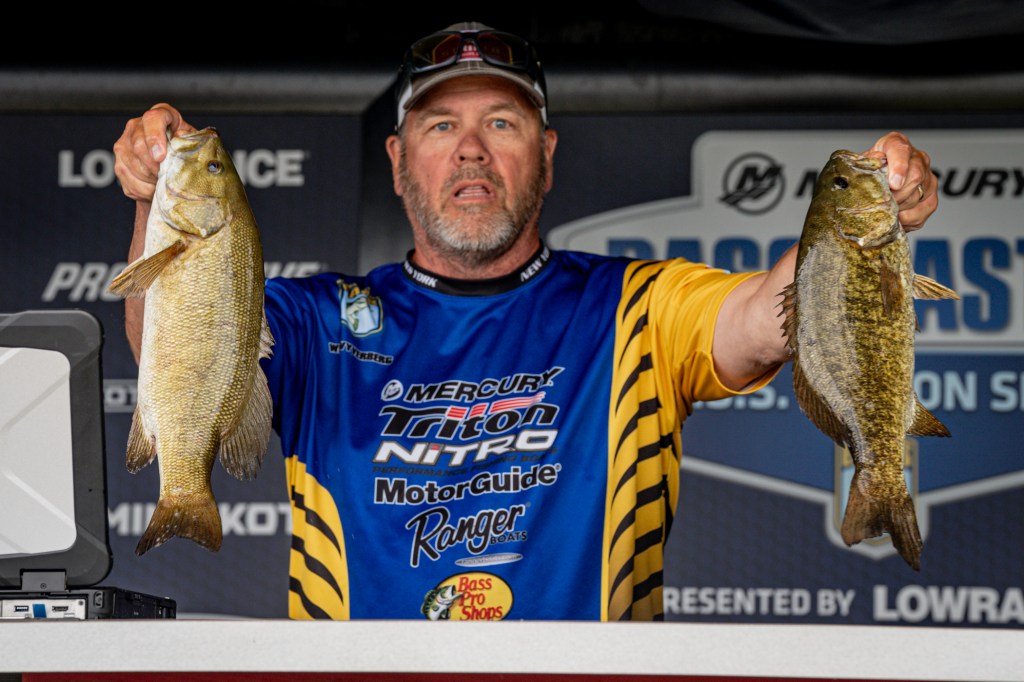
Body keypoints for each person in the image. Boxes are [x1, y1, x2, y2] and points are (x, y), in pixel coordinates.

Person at [113, 22, 938, 621]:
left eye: (501, 124)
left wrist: (870, 221)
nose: (470, 149)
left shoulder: (639, 305)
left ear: (546, 156)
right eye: (442, 125)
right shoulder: (317, 318)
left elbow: (770, 318)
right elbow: (171, 351)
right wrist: (156, 202)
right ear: (398, 162)